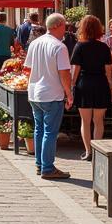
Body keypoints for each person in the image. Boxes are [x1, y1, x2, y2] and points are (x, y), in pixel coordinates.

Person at [23, 12, 73, 180]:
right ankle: (47, 167)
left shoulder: (35, 43)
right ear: (57, 26)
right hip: (52, 94)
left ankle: (40, 164)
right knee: (50, 132)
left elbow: (27, 69)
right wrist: (69, 93)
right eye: (64, 26)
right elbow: (64, 73)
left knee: (39, 130)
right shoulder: (60, 47)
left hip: (35, 93)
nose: (65, 30)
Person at [70, 15, 112, 162]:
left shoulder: (79, 46)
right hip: (101, 83)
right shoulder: (104, 47)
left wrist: (72, 86)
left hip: (84, 84)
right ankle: (97, 152)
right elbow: (109, 72)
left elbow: (75, 70)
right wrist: (111, 88)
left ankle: (88, 152)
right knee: (99, 121)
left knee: (85, 121)